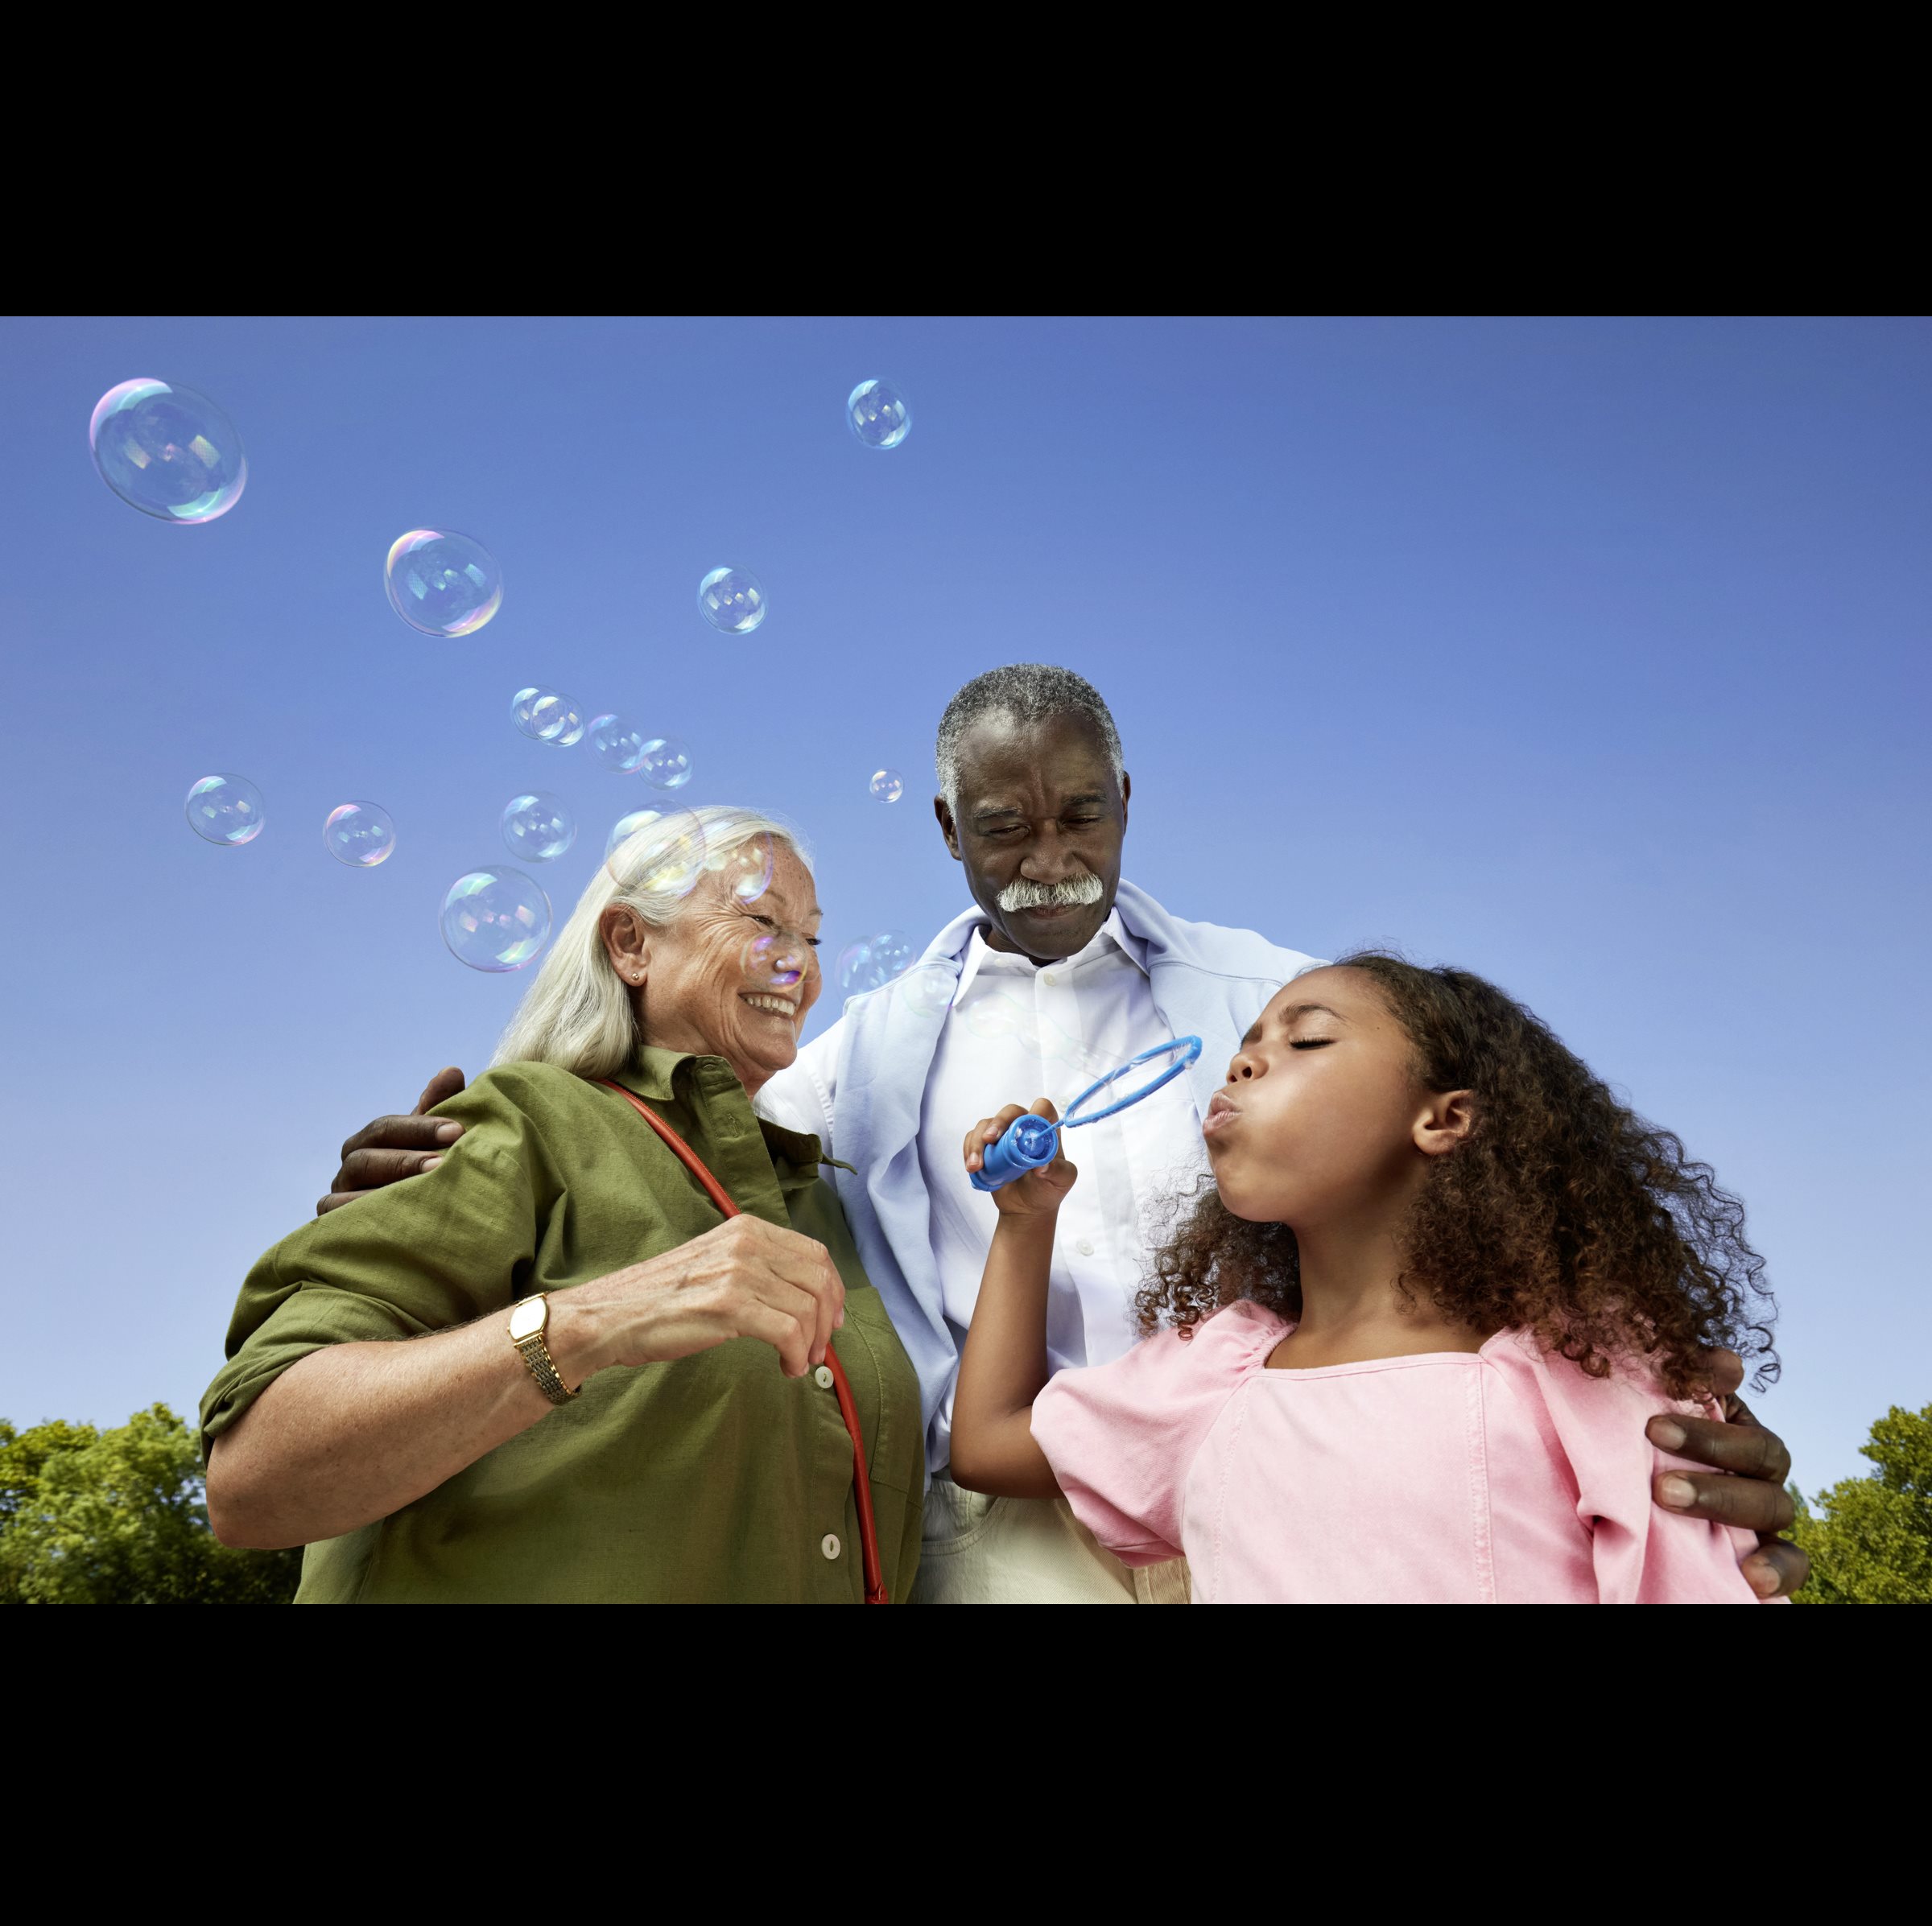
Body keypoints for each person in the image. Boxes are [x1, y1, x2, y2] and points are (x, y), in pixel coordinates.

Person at [321, 667, 1808, 1602]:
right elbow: (669, 1154)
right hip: (1017, 1527)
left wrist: (1659, 1442)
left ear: (1127, 802)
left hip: (1304, 1499)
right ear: (946, 831)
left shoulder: (1269, 995)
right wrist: (466, 1182)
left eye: (1082, 817)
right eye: (1002, 828)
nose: (1049, 860)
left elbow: (1464, 1229)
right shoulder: (861, 1052)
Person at [202, 808, 923, 1602]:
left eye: (813, 939)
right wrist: (591, 1321)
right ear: (630, 944)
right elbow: (254, 1477)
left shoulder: (823, 1199)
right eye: (762, 922)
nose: (800, 968)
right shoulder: (521, 1123)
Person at [949, 955, 1785, 1602]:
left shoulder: (1585, 1366)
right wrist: (1027, 1223)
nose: (1242, 1066)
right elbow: (985, 1443)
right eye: (1245, 1049)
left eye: (1304, 1041)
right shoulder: (1213, 1378)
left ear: (1444, 1118)